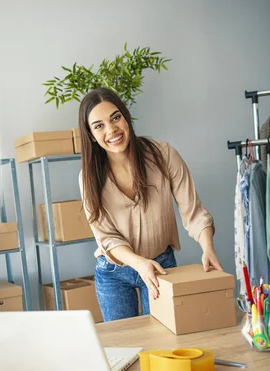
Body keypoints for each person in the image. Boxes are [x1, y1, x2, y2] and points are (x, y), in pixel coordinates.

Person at [78, 87, 222, 322]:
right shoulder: (89, 177)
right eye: (99, 125)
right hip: (113, 272)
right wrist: (138, 263)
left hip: (161, 266)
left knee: (163, 342)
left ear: (126, 117)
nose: (111, 130)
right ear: (91, 135)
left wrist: (207, 247)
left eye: (115, 117)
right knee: (125, 348)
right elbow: (106, 238)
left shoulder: (163, 155)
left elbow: (193, 211)